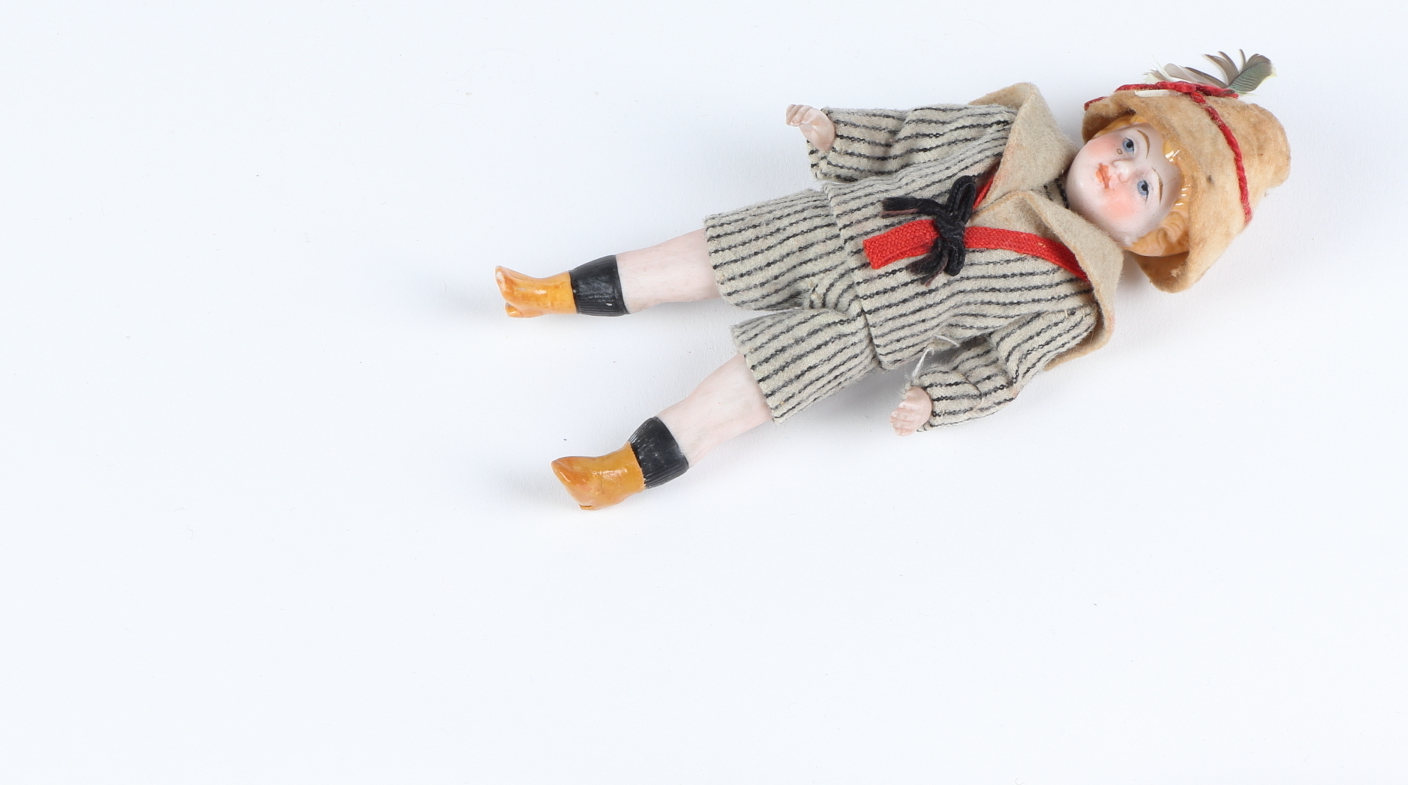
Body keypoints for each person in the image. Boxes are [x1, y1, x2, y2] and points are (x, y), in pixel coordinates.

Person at [498, 55, 1290, 509]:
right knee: (699, 256)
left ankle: (624, 469)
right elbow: (910, 136)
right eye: (1132, 145)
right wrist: (838, 134)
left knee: (749, 387)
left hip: (863, 331)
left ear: (1152, 242)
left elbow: (1005, 367)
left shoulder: (1074, 294)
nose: (1120, 170)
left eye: (1146, 188)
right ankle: (553, 291)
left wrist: (940, 399)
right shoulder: (1008, 131)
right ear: (1112, 124)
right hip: (828, 225)